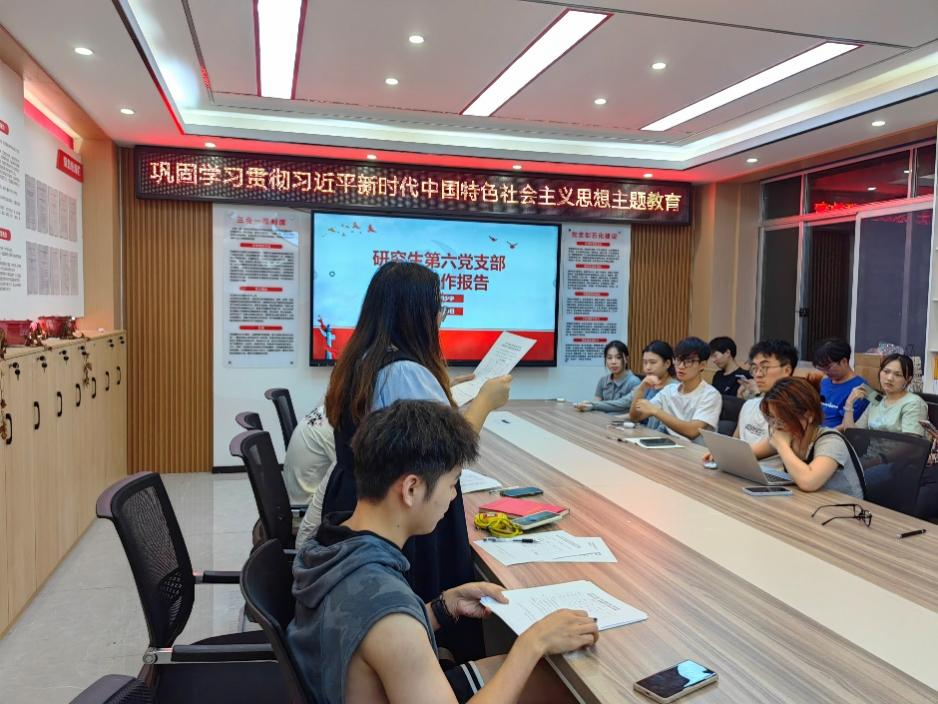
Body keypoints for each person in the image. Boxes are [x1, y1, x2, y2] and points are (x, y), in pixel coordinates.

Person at [289, 400, 598, 704]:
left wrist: (442, 607)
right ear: (411, 489)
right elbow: (390, 629)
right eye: (453, 484)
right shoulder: (390, 614)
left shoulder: (329, 544)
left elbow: (368, 634)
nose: (453, 496)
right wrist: (532, 643)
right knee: (562, 688)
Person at [321, 262, 511, 658]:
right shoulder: (405, 371)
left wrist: (443, 390)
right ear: (416, 314)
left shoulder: (363, 359)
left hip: (359, 500)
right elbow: (449, 453)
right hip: (402, 515)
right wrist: (486, 402)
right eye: (438, 310)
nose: (440, 319)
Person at [761, 377, 864, 498]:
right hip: (809, 502)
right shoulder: (789, 434)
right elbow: (748, 453)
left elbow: (809, 482)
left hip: (845, 506)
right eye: (771, 417)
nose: (776, 425)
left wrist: (782, 446)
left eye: (783, 419)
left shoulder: (832, 441)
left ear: (809, 415)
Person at [630, 337, 722, 443]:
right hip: (669, 446)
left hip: (696, 451)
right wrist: (642, 389)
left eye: (688, 361)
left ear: (702, 365)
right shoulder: (669, 390)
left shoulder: (710, 394)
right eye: (678, 360)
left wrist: (655, 411)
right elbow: (636, 417)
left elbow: (692, 431)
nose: (681, 366)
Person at [842, 354, 927, 436]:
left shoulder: (913, 403)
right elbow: (853, 435)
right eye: (886, 371)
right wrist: (849, 403)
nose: (889, 378)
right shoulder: (877, 400)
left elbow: (911, 442)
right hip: (868, 446)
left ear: (908, 379)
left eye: (898, 375)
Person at [283, 404, 336, 506]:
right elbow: (357, 473)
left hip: (299, 495)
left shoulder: (326, 410)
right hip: (309, 505)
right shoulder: (334, 429)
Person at [813, 338, 869, 428]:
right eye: (821, 368)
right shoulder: (825, 382)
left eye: (828, 367)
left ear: (844, 361)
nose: (825, 372)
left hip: (833, 434)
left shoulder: (860, 387)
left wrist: (823, 434)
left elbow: (847, 425)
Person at [573, 340, 641, 413]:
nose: (613, 362)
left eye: (618, 357)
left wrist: (593, 405)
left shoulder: (634, 382)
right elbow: (596, 403)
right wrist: (587, 406)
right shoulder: (603, 380)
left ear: (626, 359)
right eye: (609, 358)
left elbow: (630, 410)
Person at [636, 340, 679, 433]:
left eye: (653, 362)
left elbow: (665, 429)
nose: (648, 367)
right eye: (645, 362)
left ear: (667, 363)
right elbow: (636, 415)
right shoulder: (648, 383)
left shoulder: (674, 388)